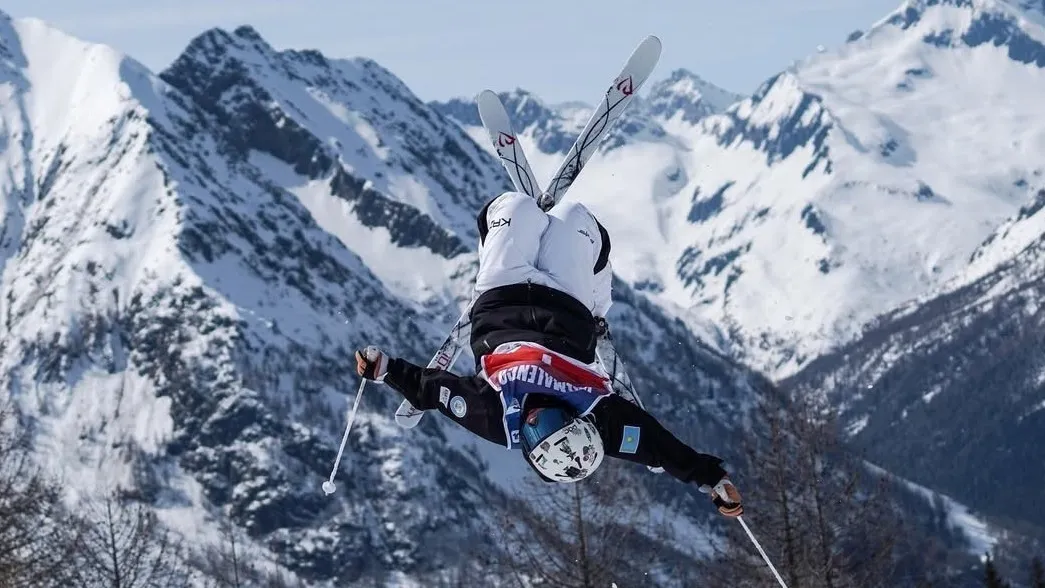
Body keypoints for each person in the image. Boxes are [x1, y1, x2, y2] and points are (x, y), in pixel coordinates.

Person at [355, 191, 743, 517]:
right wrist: (712, 480)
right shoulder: (601, 422)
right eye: (553, 422)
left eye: (534, 433)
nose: (536, 418)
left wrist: (383, 369)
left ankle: (514, 231)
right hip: (567, 301)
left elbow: (433, 391)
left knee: (510, 207)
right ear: (575, 420)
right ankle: (595, 297)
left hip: (500, 294)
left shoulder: (494, 419)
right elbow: (659, 448)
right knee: (579, 220)